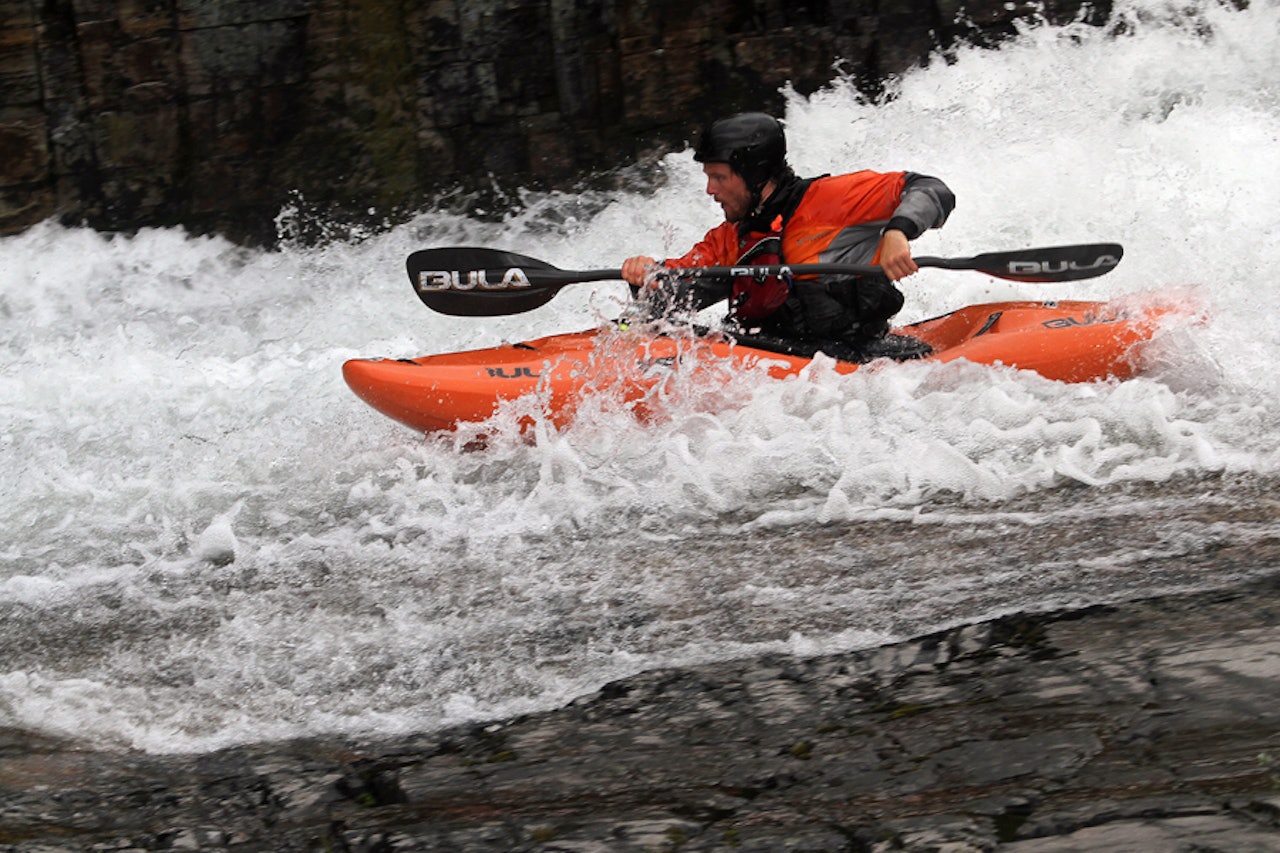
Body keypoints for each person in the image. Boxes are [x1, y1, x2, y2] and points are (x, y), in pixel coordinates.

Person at [621, 112, 955, 354]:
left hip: (859, 359)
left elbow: (931, 190)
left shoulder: (832, 200)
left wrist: (898, 231)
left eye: (719, 177)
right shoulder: (729, 239)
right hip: (772, 359)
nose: (710, 190)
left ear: (753, 174)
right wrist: (646, 276)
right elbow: (672, 295)